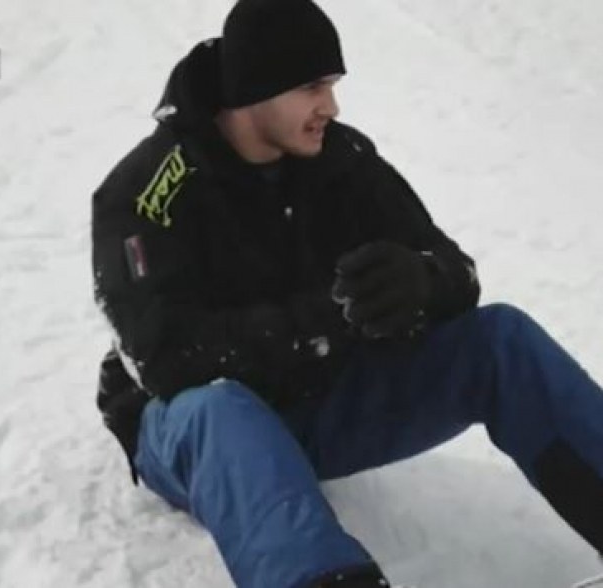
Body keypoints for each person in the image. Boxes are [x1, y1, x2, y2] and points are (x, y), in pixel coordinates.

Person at [91, 0, 603, 586]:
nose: (329, 107)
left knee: (501, 337)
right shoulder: (149, 190)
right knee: (220, 406)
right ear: (258, 86)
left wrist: (424, 281)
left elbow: (456, 271)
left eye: (331, 86)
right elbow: (162, 362)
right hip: (191, 431)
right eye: (313, 86)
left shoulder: (342, 157)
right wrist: (325, 321)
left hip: (321, 399)